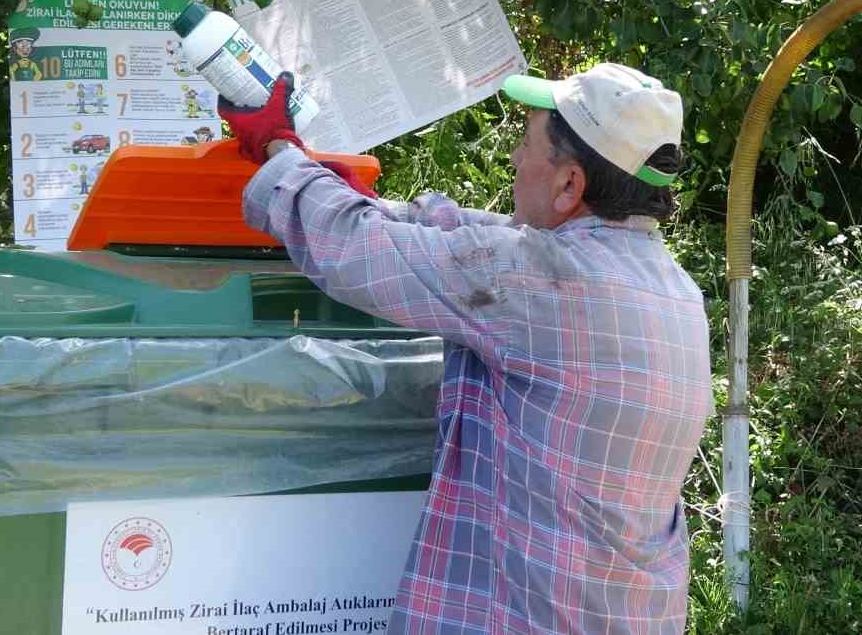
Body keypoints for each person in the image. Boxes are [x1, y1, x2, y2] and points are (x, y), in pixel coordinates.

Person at [220, 63, 714, 634]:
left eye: (525, 145)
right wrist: (364, 195)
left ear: (570, 185)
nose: (513, 161)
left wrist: (280, 150)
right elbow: (482, 240)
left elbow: (354, 248)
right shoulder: (674, 289)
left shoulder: (542, 283)